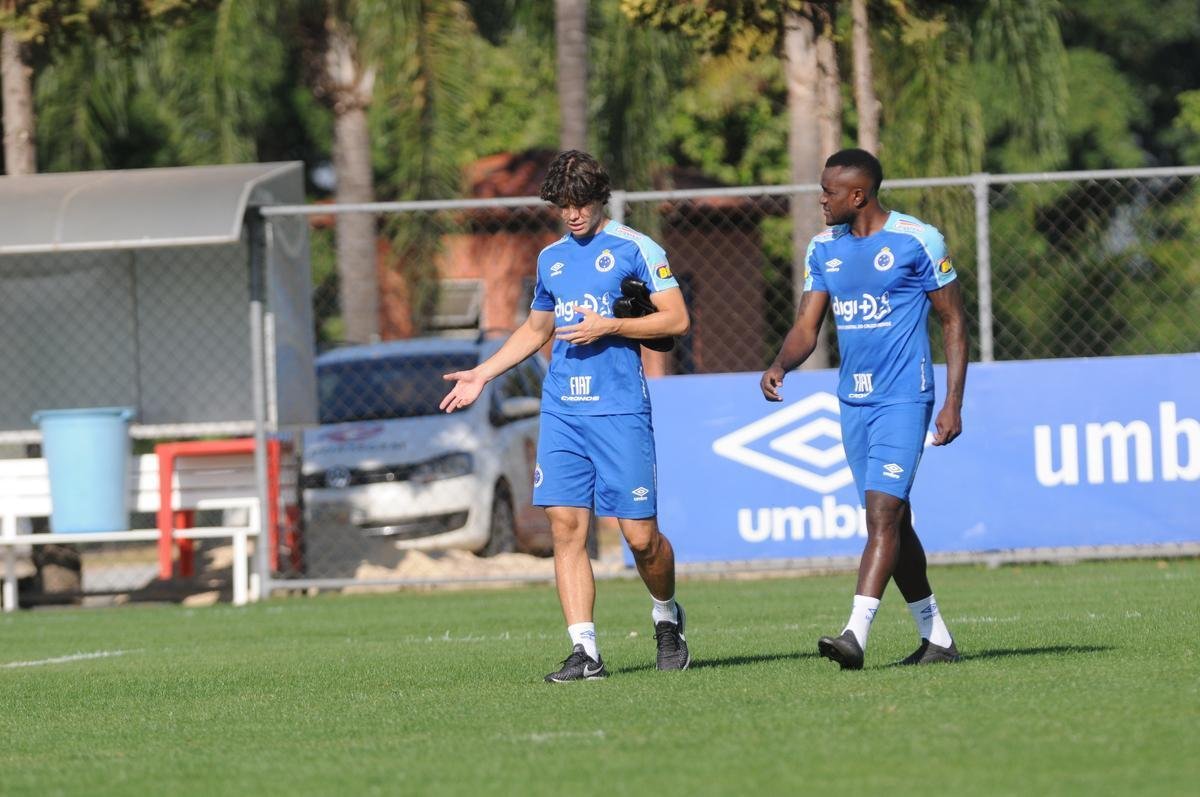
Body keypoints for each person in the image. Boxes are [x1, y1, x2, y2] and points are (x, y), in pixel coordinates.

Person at [440, 150, 692, 682]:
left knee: (641, 538)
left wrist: (612, 326)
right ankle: (585, 651)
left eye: (581, 203)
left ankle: (667, 615)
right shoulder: (551, 259)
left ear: (600, 198)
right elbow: (536, 330)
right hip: (562, 410)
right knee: (566, 525)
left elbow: (676, 319)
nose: (572, 214)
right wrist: (483, 374)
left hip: (619, 409)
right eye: (563, 205)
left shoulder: (636, 248)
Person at [760, 148, 968, 670]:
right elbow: (807, 326)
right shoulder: (823, 248)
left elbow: (953, 321)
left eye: (828, 192)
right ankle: (937, 639)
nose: (821, 200)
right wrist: (781, 364)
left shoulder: (917, 239)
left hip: (904, 398)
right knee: (895, 522)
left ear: (858, 195)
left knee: (882, 516)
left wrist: (952, 402)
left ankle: (855, 633)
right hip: (853, 402)